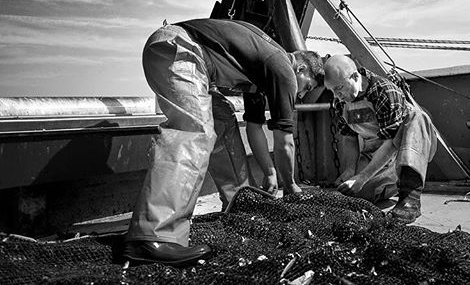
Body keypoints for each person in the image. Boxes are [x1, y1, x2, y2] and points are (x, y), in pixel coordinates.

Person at [124, 18, 324, 266]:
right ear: (302, 69)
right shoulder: (284, 69)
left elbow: (254, 128)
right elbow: (285, 142)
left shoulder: (262, 75)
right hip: (181, 49)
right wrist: (290, 185)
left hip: (193, 59)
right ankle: (152, 236)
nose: (302, 94)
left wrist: (270, 173)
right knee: (193, 130)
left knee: (223, 121)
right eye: (307, 87)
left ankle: (237, 204)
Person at [323, 55, 438, 223]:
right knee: (353, 197)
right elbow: (349, 139)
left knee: (416, 116)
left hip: (400, 154)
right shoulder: (341, 102)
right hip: (374, 160)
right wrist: (349, 171)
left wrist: (362, 177)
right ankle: (385, 188)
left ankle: (410, 199)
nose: (337, 96)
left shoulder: (384, 91)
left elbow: (391, 143)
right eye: (332, 91)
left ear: (355, 77)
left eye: (339, 88)